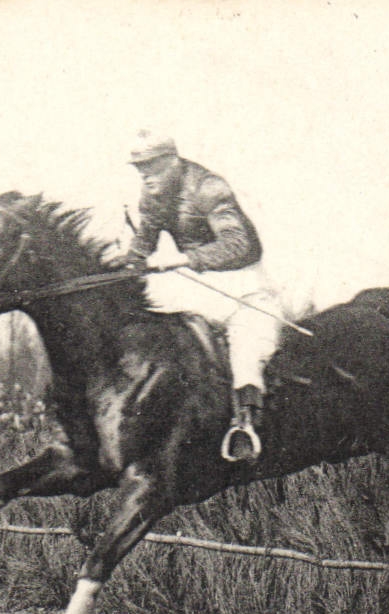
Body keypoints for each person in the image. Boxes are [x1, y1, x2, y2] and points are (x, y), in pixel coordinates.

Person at [109, 131, 285, 463]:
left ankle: (245, 427)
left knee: (246, 350)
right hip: (199, 287)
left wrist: (181, 259)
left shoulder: (209, 188)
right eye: (140, 169)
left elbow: (239, 245)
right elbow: (143, 244)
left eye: (152, 167)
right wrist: (128, 262)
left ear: (173, 162)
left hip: (243, 285)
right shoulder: (153, 196)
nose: (145, 176)